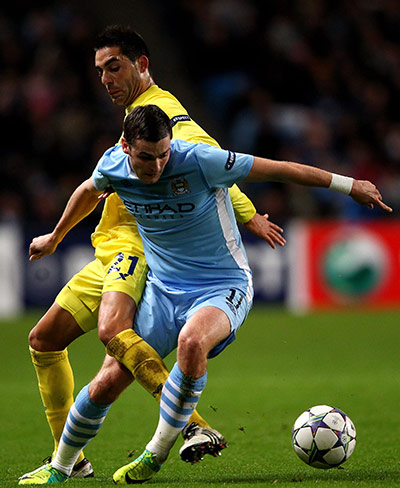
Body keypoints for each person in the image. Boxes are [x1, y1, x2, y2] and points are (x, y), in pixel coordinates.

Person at [18, 105, 391, 485]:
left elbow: (280, 168)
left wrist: (350, 185)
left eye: (164, 154)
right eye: (147, 157)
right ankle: (60, 467)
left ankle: (156, 451)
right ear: (127, 147)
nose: (158, 166)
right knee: (107, 379)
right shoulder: (112, 165)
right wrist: (55, 236)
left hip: (222, 285)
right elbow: (87, 190)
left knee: (192, 341)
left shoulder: (200, 160)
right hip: (163, 291)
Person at [22, 25, 285, 480]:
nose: (105, 78)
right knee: (44, 340)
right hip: (108, 250)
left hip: (139, 248)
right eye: (100, 70)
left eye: (114, 67)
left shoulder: (164, 112)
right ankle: (71, 458)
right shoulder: (133, 117)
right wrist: (57, 236)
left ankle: (190, 427)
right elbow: (94, 185)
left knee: (113, 337)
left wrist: (247, 213)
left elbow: (213, 162)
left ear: (143, 65)